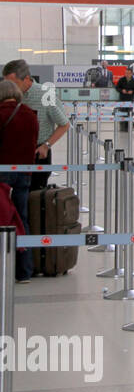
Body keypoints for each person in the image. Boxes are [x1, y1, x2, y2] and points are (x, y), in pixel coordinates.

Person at [2, 60, 69, 191]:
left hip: (37, 153)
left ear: (26, 78)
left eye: (13, 83)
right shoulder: (6, 95)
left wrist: (46, 145)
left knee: (33, 199)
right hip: (9, 153)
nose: (9, 87)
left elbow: (64, 124)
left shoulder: (45, 95)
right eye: (6, 83)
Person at [0, 80, 39, 282]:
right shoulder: (31, 115)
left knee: (3, 218)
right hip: (25, 172)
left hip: (3, 172)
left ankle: (3, 268)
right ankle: (24, 270)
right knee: (22, 218)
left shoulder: (1, 113)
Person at [115, 67, 134, 139]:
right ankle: (123, 128)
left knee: (129, 114)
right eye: (126, 73)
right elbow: (117, 88)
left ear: (131, 73)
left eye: (128, 73)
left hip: (130, 100)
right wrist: (122, 90)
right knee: (122, 113)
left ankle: (130, 127)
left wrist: (132, 91)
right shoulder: (121, 80)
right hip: (122, 99)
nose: (127, 74)